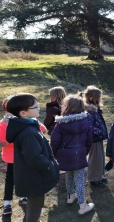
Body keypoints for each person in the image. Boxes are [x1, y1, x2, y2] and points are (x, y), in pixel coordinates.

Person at [5, 93, 59, 222]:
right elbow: (34, 157)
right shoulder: (28, 132)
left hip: (30, 176)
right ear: (23, 113)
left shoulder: (29, 126)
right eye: (35, 107)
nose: (39, 108)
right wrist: (49, 165)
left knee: (33, 205)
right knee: (35, 207)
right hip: (33, 178)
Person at [0, 96, 47, 216]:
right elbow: (2, 142)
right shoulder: (11, 123)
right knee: (19, 179)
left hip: (14, 158)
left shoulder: (21, 122)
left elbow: (43, 129)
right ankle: (9, 203)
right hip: (18, 158)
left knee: (11, 180)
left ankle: (8, 204)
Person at [50, 94, 94, 215]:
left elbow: (54, 140)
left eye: (64, 105)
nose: (61, 106)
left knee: (69, 175)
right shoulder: (85, 121)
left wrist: (54, 153)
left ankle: (72, 198)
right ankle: (82, 205)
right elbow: (89, 140)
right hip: (79, 153)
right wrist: (85, 151)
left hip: (64, 154)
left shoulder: (60, 123)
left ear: (70, 108)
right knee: (79, 179)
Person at [80, 85, 108, 187]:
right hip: (94, 139)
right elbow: (89, 127)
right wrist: (100, 132)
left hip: (98, 138)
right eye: (99, 97)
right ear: (92, 98)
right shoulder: (89, 112)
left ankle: (99, 175)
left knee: (100, 157)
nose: (100, 99)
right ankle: (93, 178)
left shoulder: (95, 110)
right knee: (95, 158)